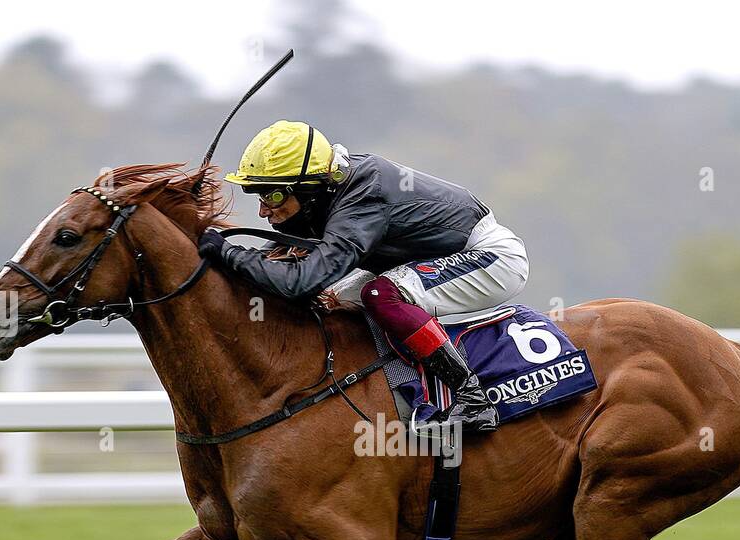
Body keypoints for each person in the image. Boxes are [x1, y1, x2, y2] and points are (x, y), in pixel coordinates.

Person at [197, 120, 529, 432]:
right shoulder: (327, 192)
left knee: (379, 295)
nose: (263, 210)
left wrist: (227, 253)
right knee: (331, 301)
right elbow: (281, 264)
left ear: (308, 188)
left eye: (273, 195)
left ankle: (472, 400)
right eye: (259, 196)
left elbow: (299, 282)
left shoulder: (363, 195)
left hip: (490, 257)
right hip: (439, 256)